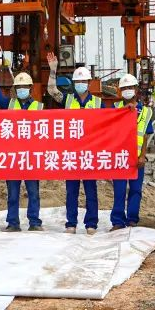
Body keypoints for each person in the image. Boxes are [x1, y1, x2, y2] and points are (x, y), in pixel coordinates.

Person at [46, 57, 101, 234]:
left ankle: (91, 223)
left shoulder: (98, 103)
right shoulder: (68, 100)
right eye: (77, 82)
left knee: (91, 190)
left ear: (89, 82)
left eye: (83, 81)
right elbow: (51, 90)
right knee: (71, 191)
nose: (80, 84)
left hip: (90, 153)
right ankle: (71, 222)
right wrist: (53, 69)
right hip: (72, 152)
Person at [0, 60, 43, 232]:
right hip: (13, 157)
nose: (21, 90)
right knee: (12, 193)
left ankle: (34, 222)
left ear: (31, 88)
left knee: (33, 192)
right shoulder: (10, 105)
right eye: (19, 87)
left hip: (31, 156)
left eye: (24, 86)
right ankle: (13, 222)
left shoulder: (39, 107)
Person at [110, 73, 153, 231]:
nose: (127, 90)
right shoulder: (114, 109)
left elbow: (146, 135)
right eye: (124, 88)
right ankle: (117, 221)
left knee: (135, 190)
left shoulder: (146, 112)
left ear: (136, 89)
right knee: (119, 190)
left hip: (137, 158)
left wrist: (142, 155)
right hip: (120, 157)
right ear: (120, 91)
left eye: (130, 87)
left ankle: (132, 219)